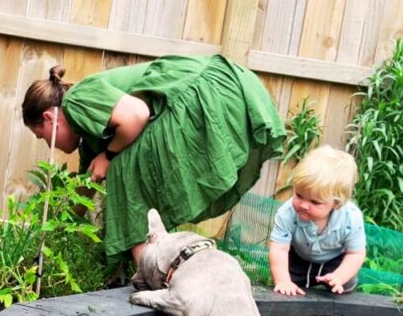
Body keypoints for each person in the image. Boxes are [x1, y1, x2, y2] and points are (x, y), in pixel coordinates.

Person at [21, 54, 285, 265]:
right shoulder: (91, 135)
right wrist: (56, 232)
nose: (48, 144)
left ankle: (151, 275)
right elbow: (87, 185)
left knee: (123, 169)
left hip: (206, 92)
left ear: (49, 118)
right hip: (220, 86)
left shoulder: (76, 100)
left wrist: (109, 155)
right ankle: (156, 266)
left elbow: (136, 113)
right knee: (121, 164)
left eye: (40, 135)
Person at [268, 146, 366, 295]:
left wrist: (339, 276)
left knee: (342, 288)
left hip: (335, 260)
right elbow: (279, 249)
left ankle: (337, 285)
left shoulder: (351, 218)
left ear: (336, 203)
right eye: (299, 195)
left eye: (315, 202)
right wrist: (283, 280)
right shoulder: (287, 213)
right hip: (299, 257)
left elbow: (355, 254)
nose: (303, 205)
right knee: (287, 289)